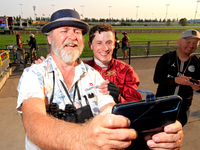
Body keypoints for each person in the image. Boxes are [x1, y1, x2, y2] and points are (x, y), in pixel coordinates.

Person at [21, 9, 183, 150]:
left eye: (77, 32)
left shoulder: (93, 75)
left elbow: (110, 111)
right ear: (49, 38)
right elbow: (34, 123)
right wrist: (83, 138)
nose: (72, 36)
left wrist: (153, 131)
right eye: (64, 30)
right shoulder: (34, 74)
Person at [154, 29, 200, 126]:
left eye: (195, 43)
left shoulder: (197, 62)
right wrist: (175, 80)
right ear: (179, 42)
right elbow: (157, 78)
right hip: (162, 105)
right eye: (188, 42)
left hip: (183, 108)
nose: (191, 46)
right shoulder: (167, 58)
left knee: (175, 134)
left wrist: (198, 87)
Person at [86, 23, 142, 103]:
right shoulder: (80, 70)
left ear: (114, 44)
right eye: (99, 43)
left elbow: (134, 106)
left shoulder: (126, 71)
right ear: (90, 45)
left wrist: (118, 98)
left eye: (109, 42)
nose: (105, 48)